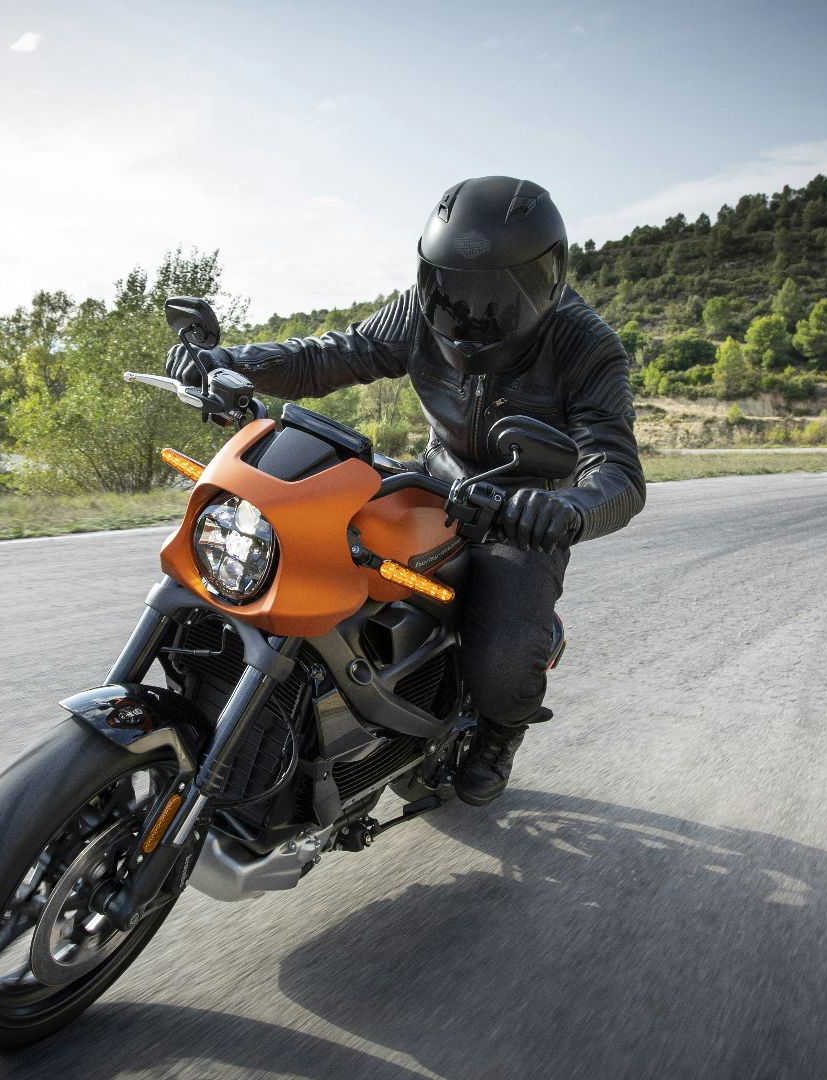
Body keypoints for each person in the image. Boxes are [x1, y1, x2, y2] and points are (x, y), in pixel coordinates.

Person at [166, 175, 645, 805]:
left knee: (501, 661)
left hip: (521, 504)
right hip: (433, 476)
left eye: (491, 294)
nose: (466, 311)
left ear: (543, 280)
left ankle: (500, 734)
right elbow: (332, 355)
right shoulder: (424, 312)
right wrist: (235, 362)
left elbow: (617, 470)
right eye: (449, 288)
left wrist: (566, 508)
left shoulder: (587, 348)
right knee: (311, 553)